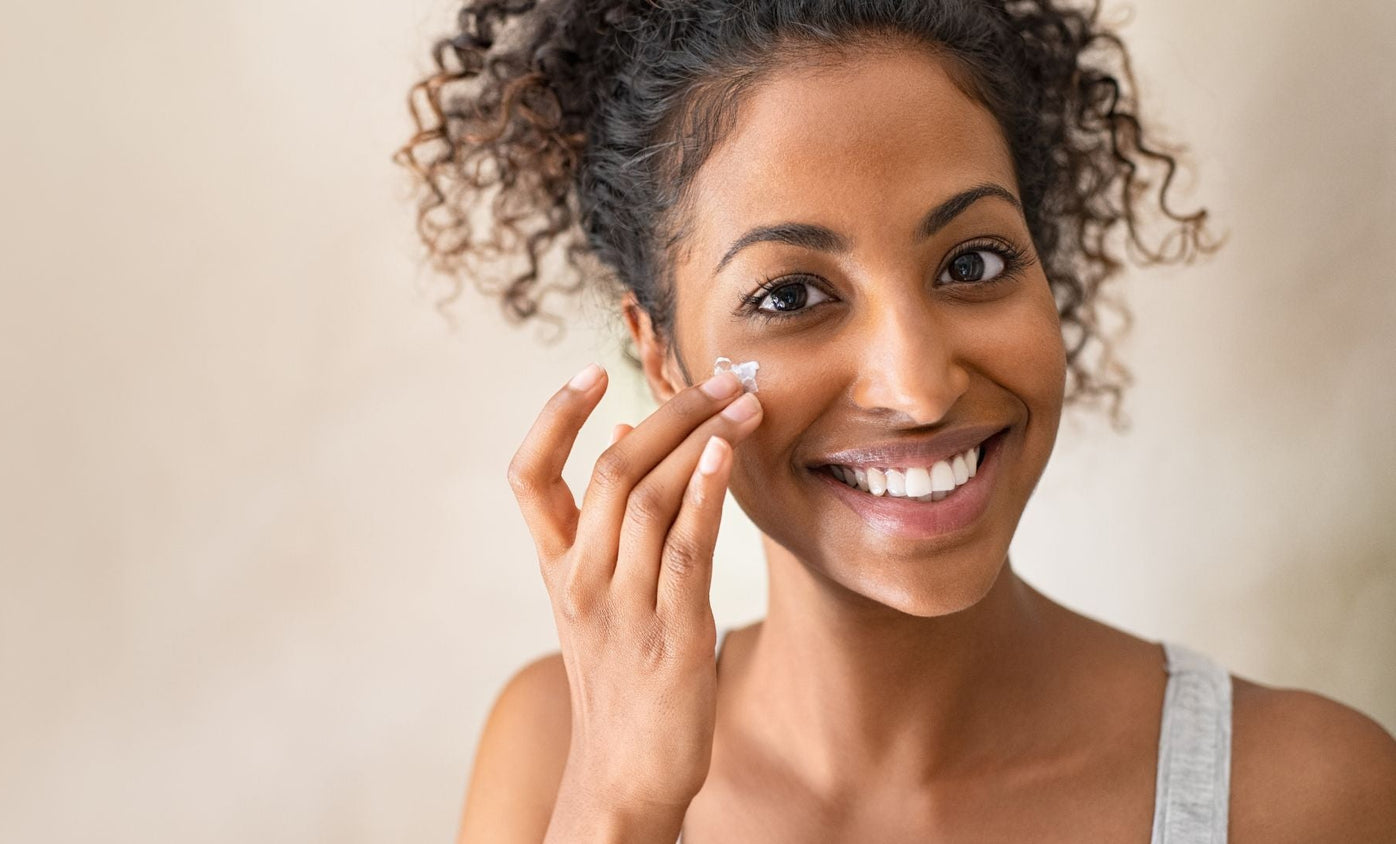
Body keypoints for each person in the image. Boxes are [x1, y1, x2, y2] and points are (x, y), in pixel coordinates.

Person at [397, 1, 1396, 840]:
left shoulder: (1302, 792)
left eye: (973, 262)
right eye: (790, 295)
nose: (918, 387)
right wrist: (617, 805)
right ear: (661, 355)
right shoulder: (552, 752)